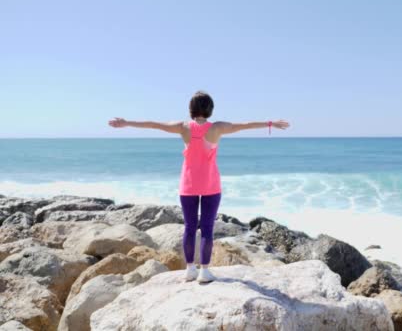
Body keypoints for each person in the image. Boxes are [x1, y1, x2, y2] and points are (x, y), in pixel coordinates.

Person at [108, 90, 290, 282]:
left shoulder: (183, 127)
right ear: (210, 109)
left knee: (189, 227)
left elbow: (154, 125)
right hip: (211, 185)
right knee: (207, 228)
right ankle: (204, 271)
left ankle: (190, 269)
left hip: (188, 185)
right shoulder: (217, 128)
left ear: (191, 109)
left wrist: (126, 123)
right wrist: (269, 123)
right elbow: (243, 126)